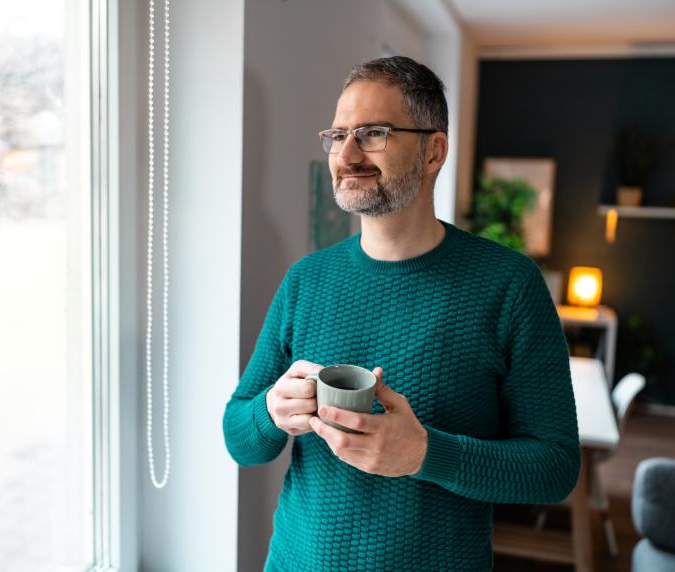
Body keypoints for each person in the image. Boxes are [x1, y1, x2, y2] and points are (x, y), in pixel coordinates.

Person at [222, 55, 580, 572]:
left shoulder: (508, 286)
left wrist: (424, 453)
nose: (347, 153)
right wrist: (271, 411)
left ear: (434, 151)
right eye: (338, 134)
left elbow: (554, 467)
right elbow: (239, 439)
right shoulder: (306, 280)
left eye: (373, 133)